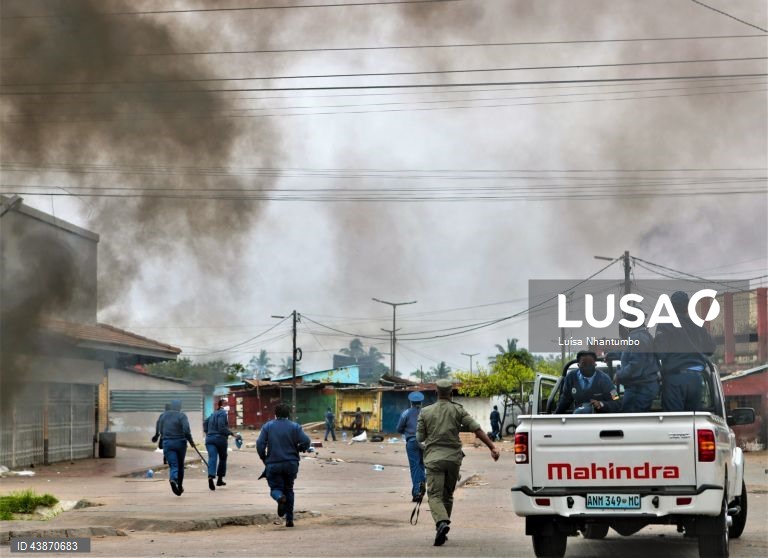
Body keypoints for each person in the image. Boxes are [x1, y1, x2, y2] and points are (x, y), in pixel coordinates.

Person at [416, 379, 500, 547]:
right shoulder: (458, 410)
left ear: (436, 392)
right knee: (447, 495)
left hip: (434, 459)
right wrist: (492, 447)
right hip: (453, 459)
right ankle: (443, 526)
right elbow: (477, 430)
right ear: (452, 393)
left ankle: (441, 523)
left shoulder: (425, 412)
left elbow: (420, 438)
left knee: (434, 495)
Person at [655, 290, 716, 412]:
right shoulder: (697, 326)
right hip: (696, 380)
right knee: (692, 421)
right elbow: (711, 348)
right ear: (688, 307)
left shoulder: (665, 325)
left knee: (674, 422)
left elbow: (660, 352)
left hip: (675, 380)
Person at [256, 403, 311, 528]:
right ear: (288, 414)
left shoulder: (268, 426)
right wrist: (300, 448)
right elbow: (306, 441)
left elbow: (260, 444)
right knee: (289, 489)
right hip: (291, 464)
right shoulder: (295, 427)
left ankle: (279, 498)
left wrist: (264, 457)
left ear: (275, 414)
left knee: (275, 489)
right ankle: (289, 520)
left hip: (273, 464)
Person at [615, 322, 661, 413]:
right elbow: (632, 354)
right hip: (640, 386)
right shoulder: (641, 336)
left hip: (639, 388)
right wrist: (613, 354)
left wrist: (619, 375)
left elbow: (636, 365)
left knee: (631, 421)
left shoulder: (637, 337)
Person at [160, 399, 196, 496]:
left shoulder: (164, 415)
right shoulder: (182, 416)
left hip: (167, 443)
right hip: (180, 443)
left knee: (173, 465)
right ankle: (179, 485)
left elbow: (160, 430)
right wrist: (191, 441)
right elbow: (186, 430)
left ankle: (173, 479)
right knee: (180, 465)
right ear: (180, 407)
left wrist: (162, 440)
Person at [204, 399, 241, 491]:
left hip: (209, 439)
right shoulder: (223, 413)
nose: (227, 405)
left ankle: (210, 476)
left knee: (212, 457)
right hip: (220, 439)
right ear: (221, 405)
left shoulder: (213, 414)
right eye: (225, 404)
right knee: (223, 457)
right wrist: (233, 434)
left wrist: (208, 432)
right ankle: (220, 479)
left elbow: (205, 423)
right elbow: (221, 427)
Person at [396, 391, 426, 502]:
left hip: (412, 442)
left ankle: (417, 492)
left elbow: (399, 428)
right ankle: (421, 486)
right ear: (421, 402)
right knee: (422, 465)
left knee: (414, 467)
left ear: (411, 402)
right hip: (424, 442)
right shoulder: (426, 413)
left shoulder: (406, 413)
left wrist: (408, 431)